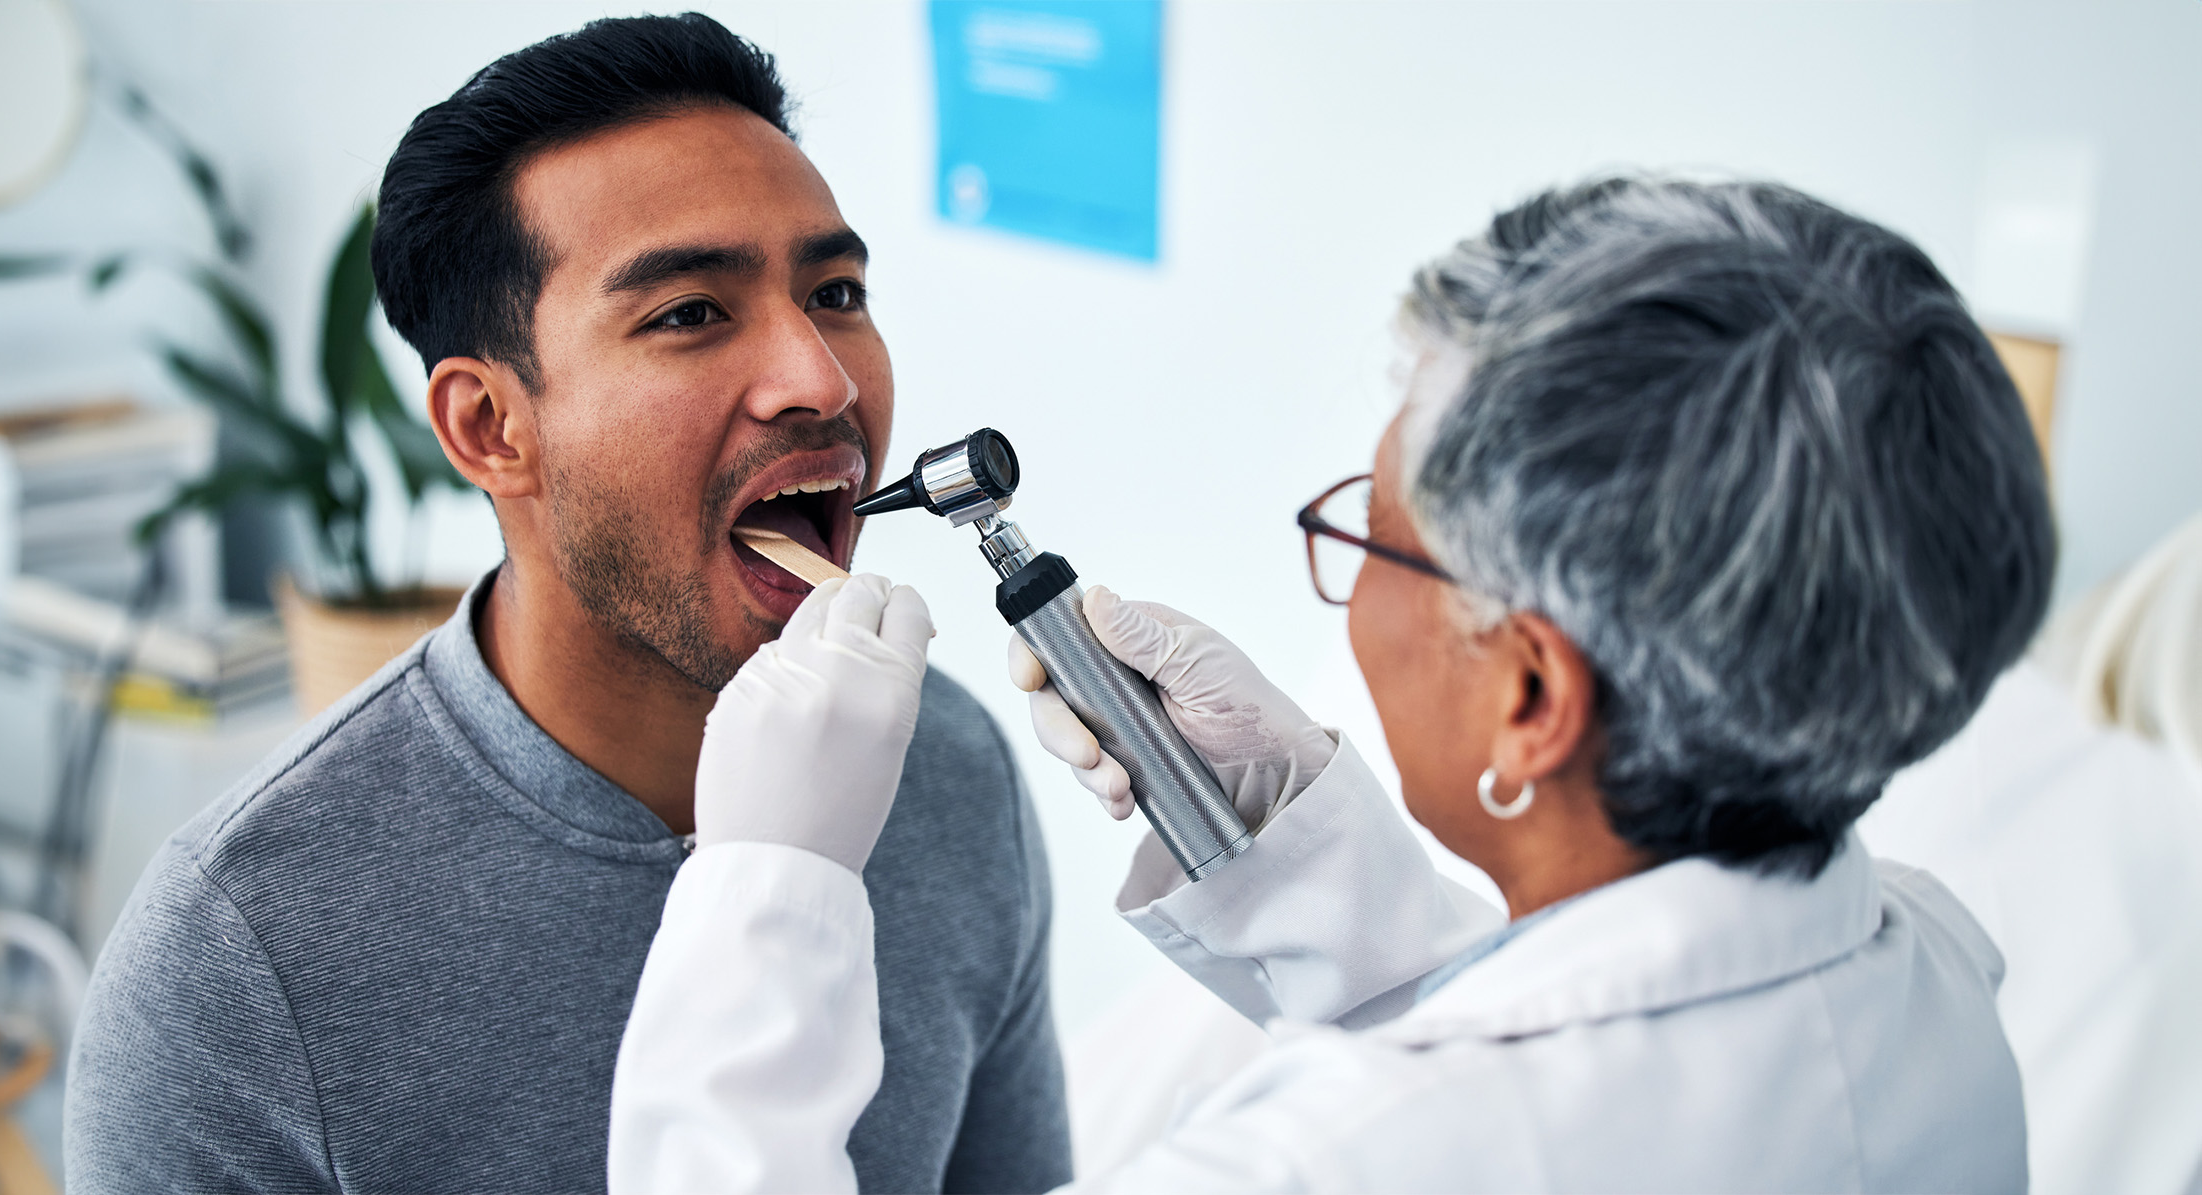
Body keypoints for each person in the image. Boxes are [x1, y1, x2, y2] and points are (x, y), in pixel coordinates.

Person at [609, 178, 2053, 1191]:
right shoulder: (1930, 971)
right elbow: (1575, 1055)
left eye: (1371, 532)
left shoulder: (1316, 1158)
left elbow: (1460, 1126)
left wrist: (768, 886)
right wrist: (1291, 843)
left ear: (1532, 698)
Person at [64, 15, 1068, 1194]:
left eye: (835, 289)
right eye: (691, 311)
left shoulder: (949, 771)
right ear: (492, 428)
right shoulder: (239, 953)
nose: (822, 378)